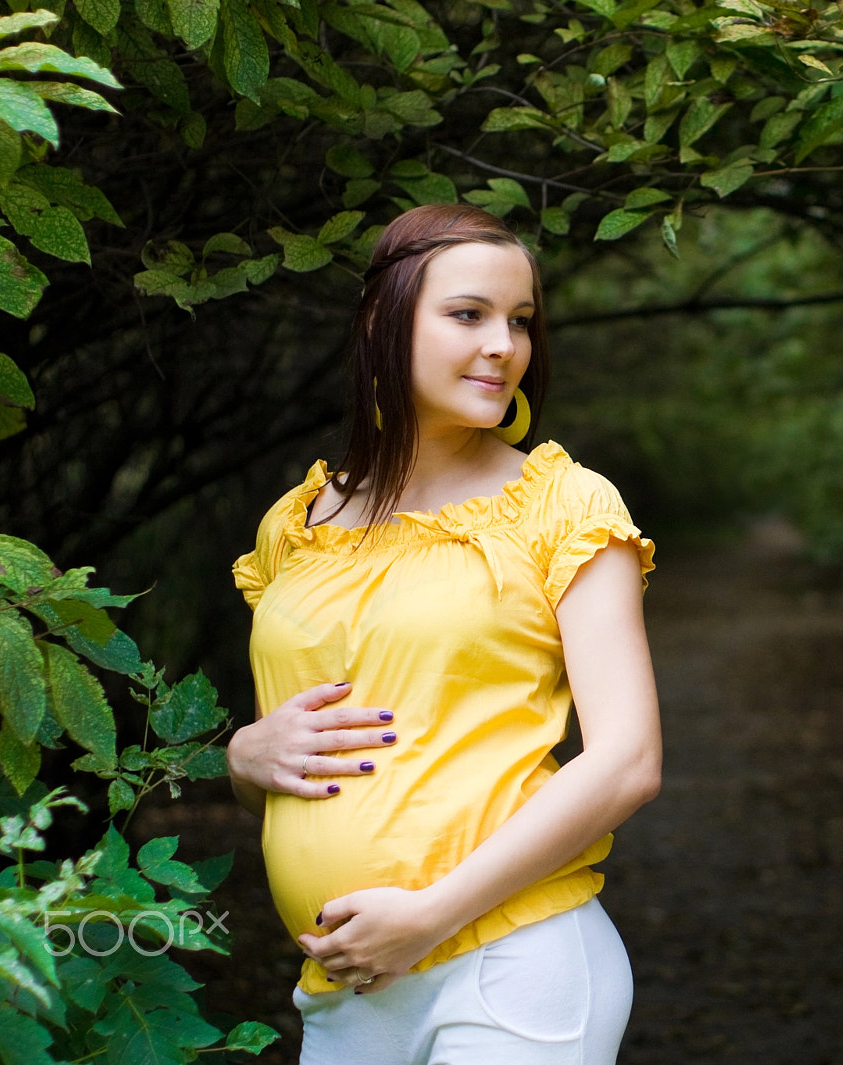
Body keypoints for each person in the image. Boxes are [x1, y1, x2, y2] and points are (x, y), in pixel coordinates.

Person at [225, 202, 661, 1065]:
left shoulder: (563, 505)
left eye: (522, 321)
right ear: (382, 321)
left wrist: (429, 913)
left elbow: (628, 762)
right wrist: (243, 757)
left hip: (511, 959)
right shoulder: (297, 523)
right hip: (350, 982)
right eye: (469, 314)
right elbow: (317, 764)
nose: (505, 344)